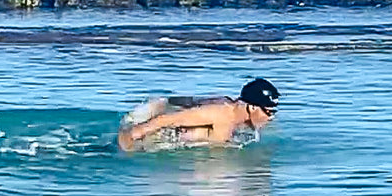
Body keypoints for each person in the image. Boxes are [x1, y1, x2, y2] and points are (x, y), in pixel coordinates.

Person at [118, 78, 280, 151]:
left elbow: (189, 101)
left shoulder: (232, 110)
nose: (271, 117)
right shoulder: (220, 114)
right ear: (252, 108)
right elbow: (168, 119)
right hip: (148, 131)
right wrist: (131, 138)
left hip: (161, 114)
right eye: (269, 112)